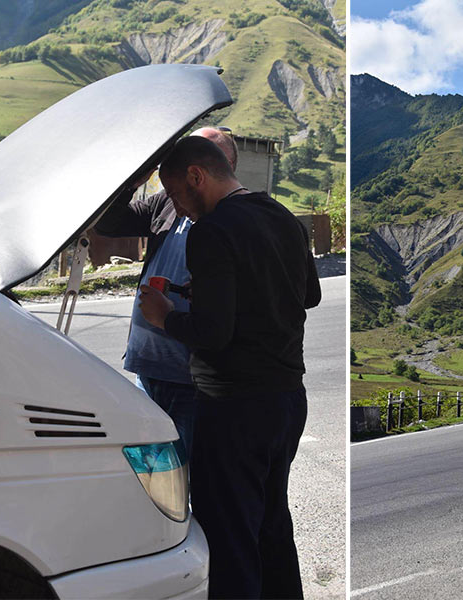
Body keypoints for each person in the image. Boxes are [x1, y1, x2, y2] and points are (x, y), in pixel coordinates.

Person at [138, 135, 321, 599]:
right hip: (286, 400)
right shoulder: (284, 218)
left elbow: (213, 335)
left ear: (197, 176)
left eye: (177, 194)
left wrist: (165, 316)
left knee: (229, 534)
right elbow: (310, 295)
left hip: (233, 404)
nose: (178, 208)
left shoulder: (212, 230)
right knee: (271, 522)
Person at [94, 127, 237, 457]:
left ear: (221, 164)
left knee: (185, 474)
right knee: (147, 470)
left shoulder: (232, 217)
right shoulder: (169, 203)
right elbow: (109, 224)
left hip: (192, 378)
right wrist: (137, 178)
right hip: (146, 365)